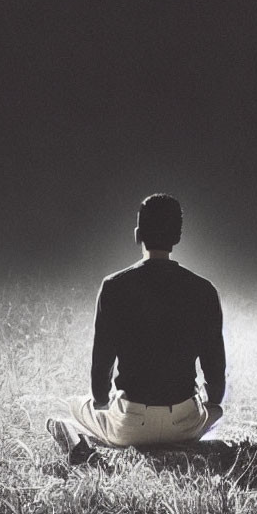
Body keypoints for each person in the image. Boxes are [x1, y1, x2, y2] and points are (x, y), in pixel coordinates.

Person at [47, 193, 226, 457]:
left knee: (76, 406)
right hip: (184, 423)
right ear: (177, 237)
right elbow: (216, 375)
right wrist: (209, 403)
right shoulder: (204, 290)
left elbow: (102, 364)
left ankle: (78, 439)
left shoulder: (113, 287)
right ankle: (179, 440)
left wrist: (100, 401)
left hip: (132, 423)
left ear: (137, 234)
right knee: (216, 411)